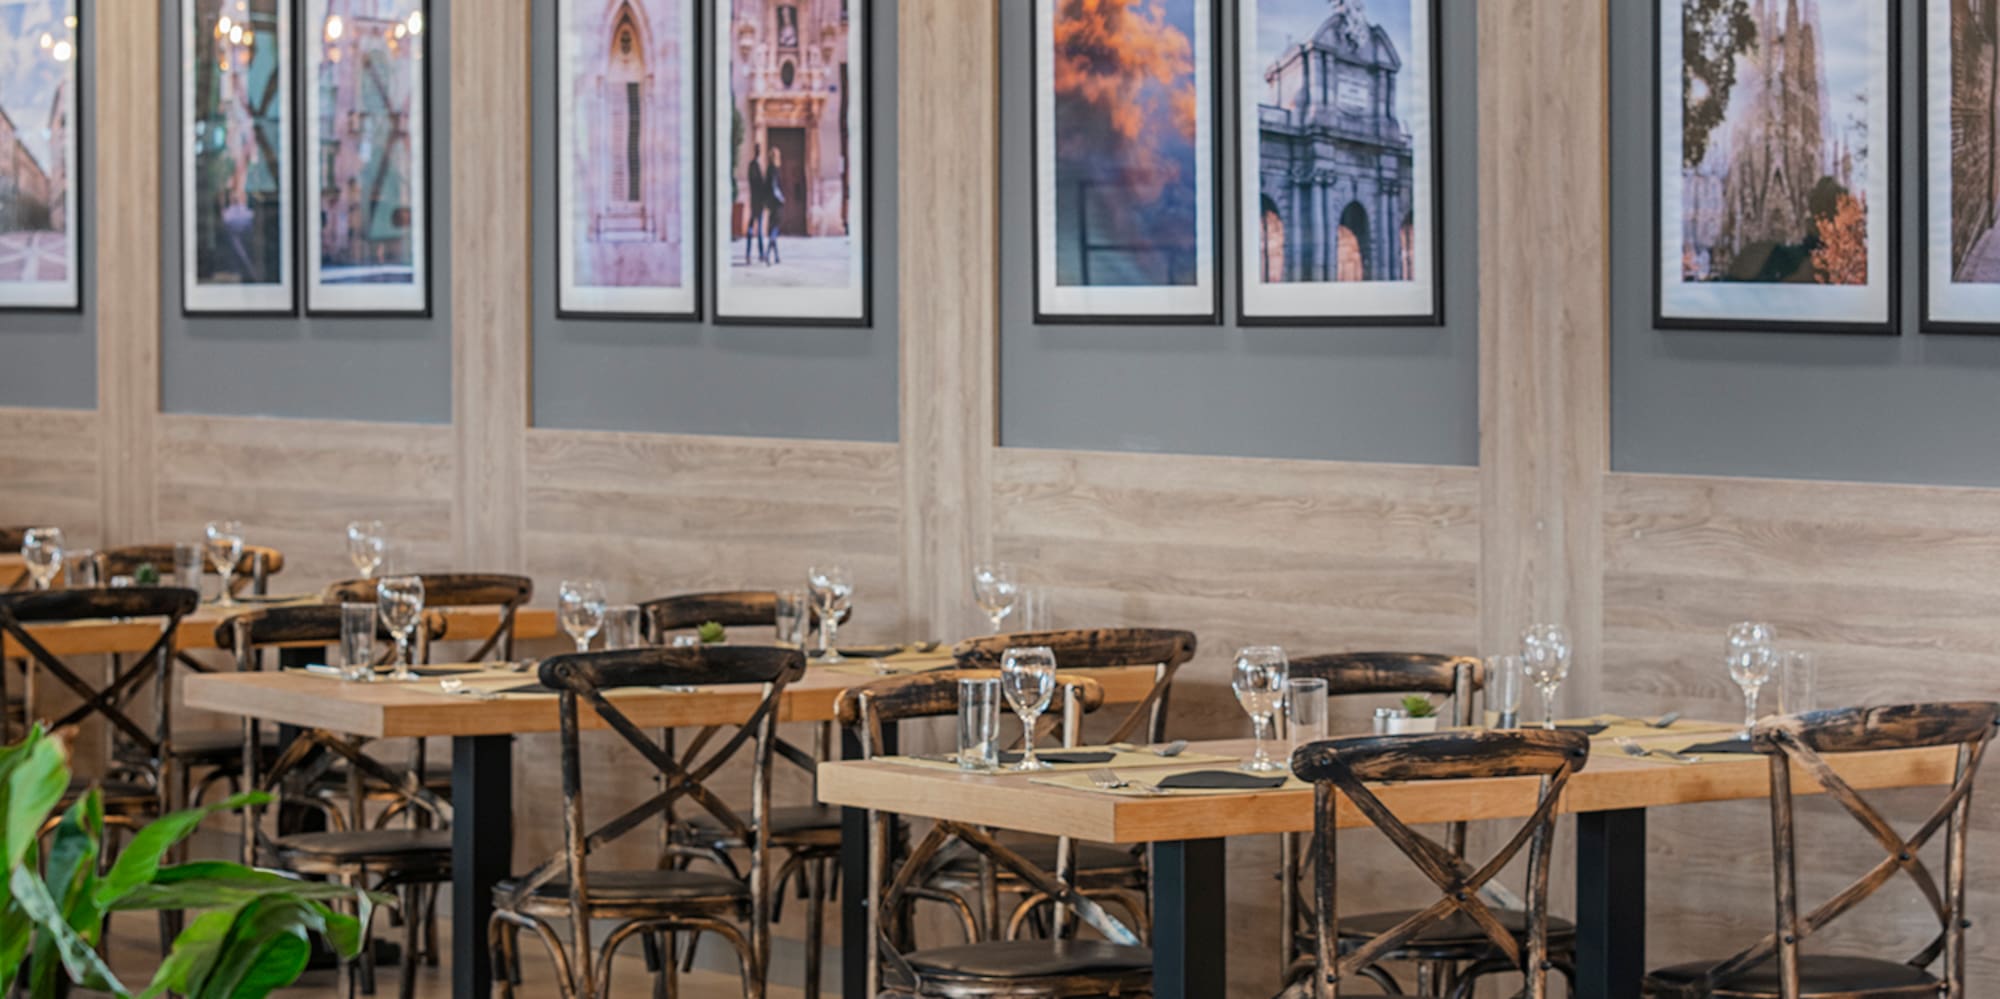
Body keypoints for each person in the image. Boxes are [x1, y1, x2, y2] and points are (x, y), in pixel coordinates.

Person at [744, 143, 768, 264]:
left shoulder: (750, 165)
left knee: (751, 227)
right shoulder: (757, 165)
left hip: (754, 199)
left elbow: (751, 182)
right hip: (758, 201)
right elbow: (760, 184)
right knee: (758, 230)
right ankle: (761, 253)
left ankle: (748, 254)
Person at [764, 146, 785, 265]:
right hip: (777, 203)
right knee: (775, 228)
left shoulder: (768, 169)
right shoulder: (775, 169)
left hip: (771, 203)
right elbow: (774, 187)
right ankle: (767, 254)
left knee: (773, 227)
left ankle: (776, 256)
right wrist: (781, 198)